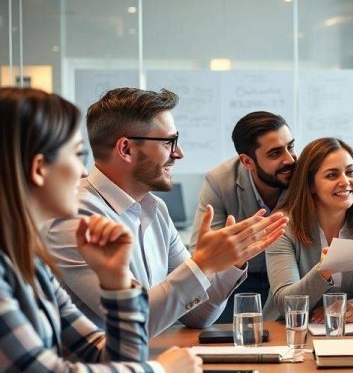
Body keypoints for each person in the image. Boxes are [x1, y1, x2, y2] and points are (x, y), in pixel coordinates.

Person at [45, 88, 288, 338]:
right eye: (168, 142)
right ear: (126, 149)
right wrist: (201, 264)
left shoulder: (155, 209)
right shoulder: (74, 218)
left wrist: (231, 260)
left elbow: (198, 315)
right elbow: (134, 324)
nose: (178, 153)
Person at [0, 87, 200, 372]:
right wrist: (160, 370)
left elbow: (105, 354)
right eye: (78, 155)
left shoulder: (28, 263)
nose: (84, 172)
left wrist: (117, 284)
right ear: (39, 169)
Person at [265, 138, 353, 322]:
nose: (345, 181)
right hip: (286, 333)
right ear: (310, 185)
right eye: (332, 175)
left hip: (344, 333)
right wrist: (323, 271)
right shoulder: (282, 225)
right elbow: (286, 305)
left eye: (350, 172)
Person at [189, 111, 296, 322]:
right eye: (275, 153)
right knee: (216, 331)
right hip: (240, 277)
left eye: (291, 146)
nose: (290, 159)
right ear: (248, 161)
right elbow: (203, 253)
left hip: (291, 275)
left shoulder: (304, 173)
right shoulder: (219, 180)